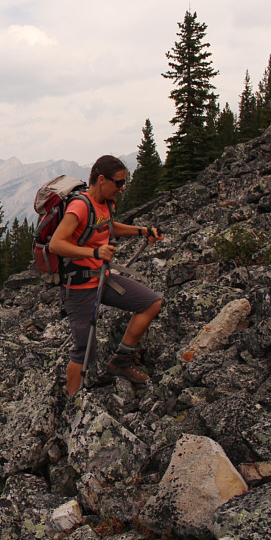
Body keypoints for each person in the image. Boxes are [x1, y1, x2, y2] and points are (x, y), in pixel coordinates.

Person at [48, 155, 163, 397]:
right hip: (79, 286)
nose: (121, 188)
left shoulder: (105, 204)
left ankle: (121, 360)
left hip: (102, 279)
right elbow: (56, 244)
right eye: (118, 183)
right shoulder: (79, 206)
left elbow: (109, 226)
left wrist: (142, 231)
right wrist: (94, 251)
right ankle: (73, 406)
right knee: (84, 349)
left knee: (151, 303)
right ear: (102, 179)